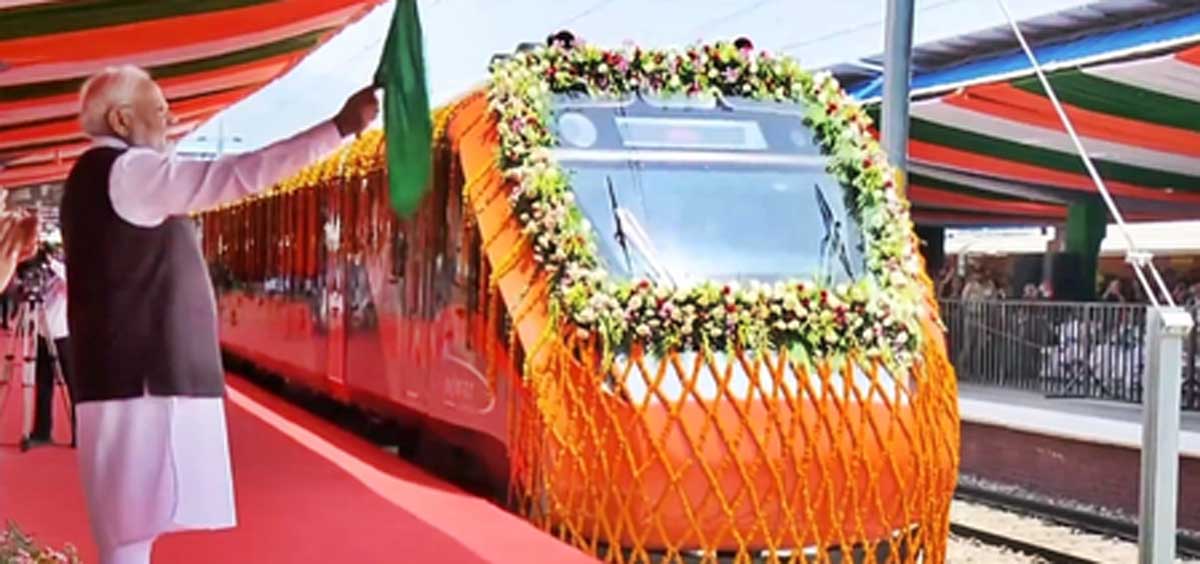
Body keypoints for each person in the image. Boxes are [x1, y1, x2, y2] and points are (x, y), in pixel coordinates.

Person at [60, 65, 378, 564]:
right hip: (146, 382)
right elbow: (234, 175)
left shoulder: (92, 176)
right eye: (160, 108)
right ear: (122, 120)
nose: (170, 118)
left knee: (125, 537)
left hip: (121, 380)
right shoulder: (130, 171)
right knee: (129, 540)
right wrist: (337, 128)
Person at [21, 244, 74, 451]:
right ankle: (42, 432)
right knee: (43, 386)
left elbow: (66, 276)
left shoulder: (65, 275)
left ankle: (80, 433)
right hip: (43, 335)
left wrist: (49, 260)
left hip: (63, 338)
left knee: (73, 387)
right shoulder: (47, 277)